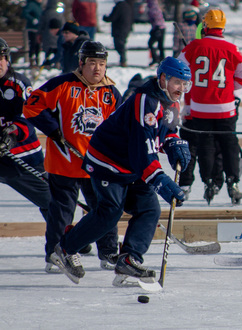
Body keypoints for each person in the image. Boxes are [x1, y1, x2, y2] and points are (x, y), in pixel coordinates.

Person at [48, 57, 192, 285]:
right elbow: (142, 152)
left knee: (149, 209)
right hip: (107, 162)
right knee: (110, 212)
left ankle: (128, 260)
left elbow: (164, 133)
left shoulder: (172, 103)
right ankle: (64, 249)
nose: (181, 89)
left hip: (132, 165)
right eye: (177, 82)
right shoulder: (145, 101)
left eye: (185, 84)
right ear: (163, 79)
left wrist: (173, 143)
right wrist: (160, 180)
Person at [23, 41, 122, 273]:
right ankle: (55, 254)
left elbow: (122, 126)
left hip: (97, 164)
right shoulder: (62, 83)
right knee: (61, 211)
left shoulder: (111, 92)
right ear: (81, 63)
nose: (97, 69)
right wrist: (53, 130)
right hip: (64, 162)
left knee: (105, 209)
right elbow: (31, 106)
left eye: (102, 64)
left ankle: (108, 252)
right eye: (92, 63)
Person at [178, 8, 242, 205]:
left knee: (205, 145)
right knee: (229, 145)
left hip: (201, 106)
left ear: (206, 25)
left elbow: (180, 68)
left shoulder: (194, 46)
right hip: (225, 106)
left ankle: (208, 181)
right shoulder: (230, 47)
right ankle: (233, 182)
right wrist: (231, 90)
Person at [0, 38, 54, 271]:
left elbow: (28, 116)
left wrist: (10, 135)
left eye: (0, 58)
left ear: (7, 59)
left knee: (51, 201)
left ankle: (63, 245)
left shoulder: (18, 84)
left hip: (22, 156)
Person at [103, 0, 135, 67]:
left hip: (119, 29)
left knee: (119, 45)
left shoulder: (119, 6)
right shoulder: (127, 5)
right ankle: (122, 61)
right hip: (126, 28)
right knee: (122, 44)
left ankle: (123, 61)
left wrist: (105, 18)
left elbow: (112, 17)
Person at [38, 0, 64, 68]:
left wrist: (39, 33)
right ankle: (57, 64)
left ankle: (47, 64)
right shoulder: (59, 12)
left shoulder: (45, 12)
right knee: (58, 50)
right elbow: (63, 22)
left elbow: (41, 24)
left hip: (47, 36)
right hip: (56, 36)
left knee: (48, 52)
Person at [21, 0, 42, 67]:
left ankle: (37, 59)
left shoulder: (39, 5)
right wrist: (32, 19)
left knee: (37, 45)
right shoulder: (31, 4)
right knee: (33, 44)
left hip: (38, 28)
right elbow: (25, 13)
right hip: (32, 28)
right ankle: (32, 60)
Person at [147, 0, 166, 66]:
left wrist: (156, 29)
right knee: (160, 45)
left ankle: (156, 59)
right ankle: (162, 59)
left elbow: (156, 20)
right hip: (162, 28)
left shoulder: (153, 9)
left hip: (158, 28)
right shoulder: (157, 7)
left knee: (150, 43)